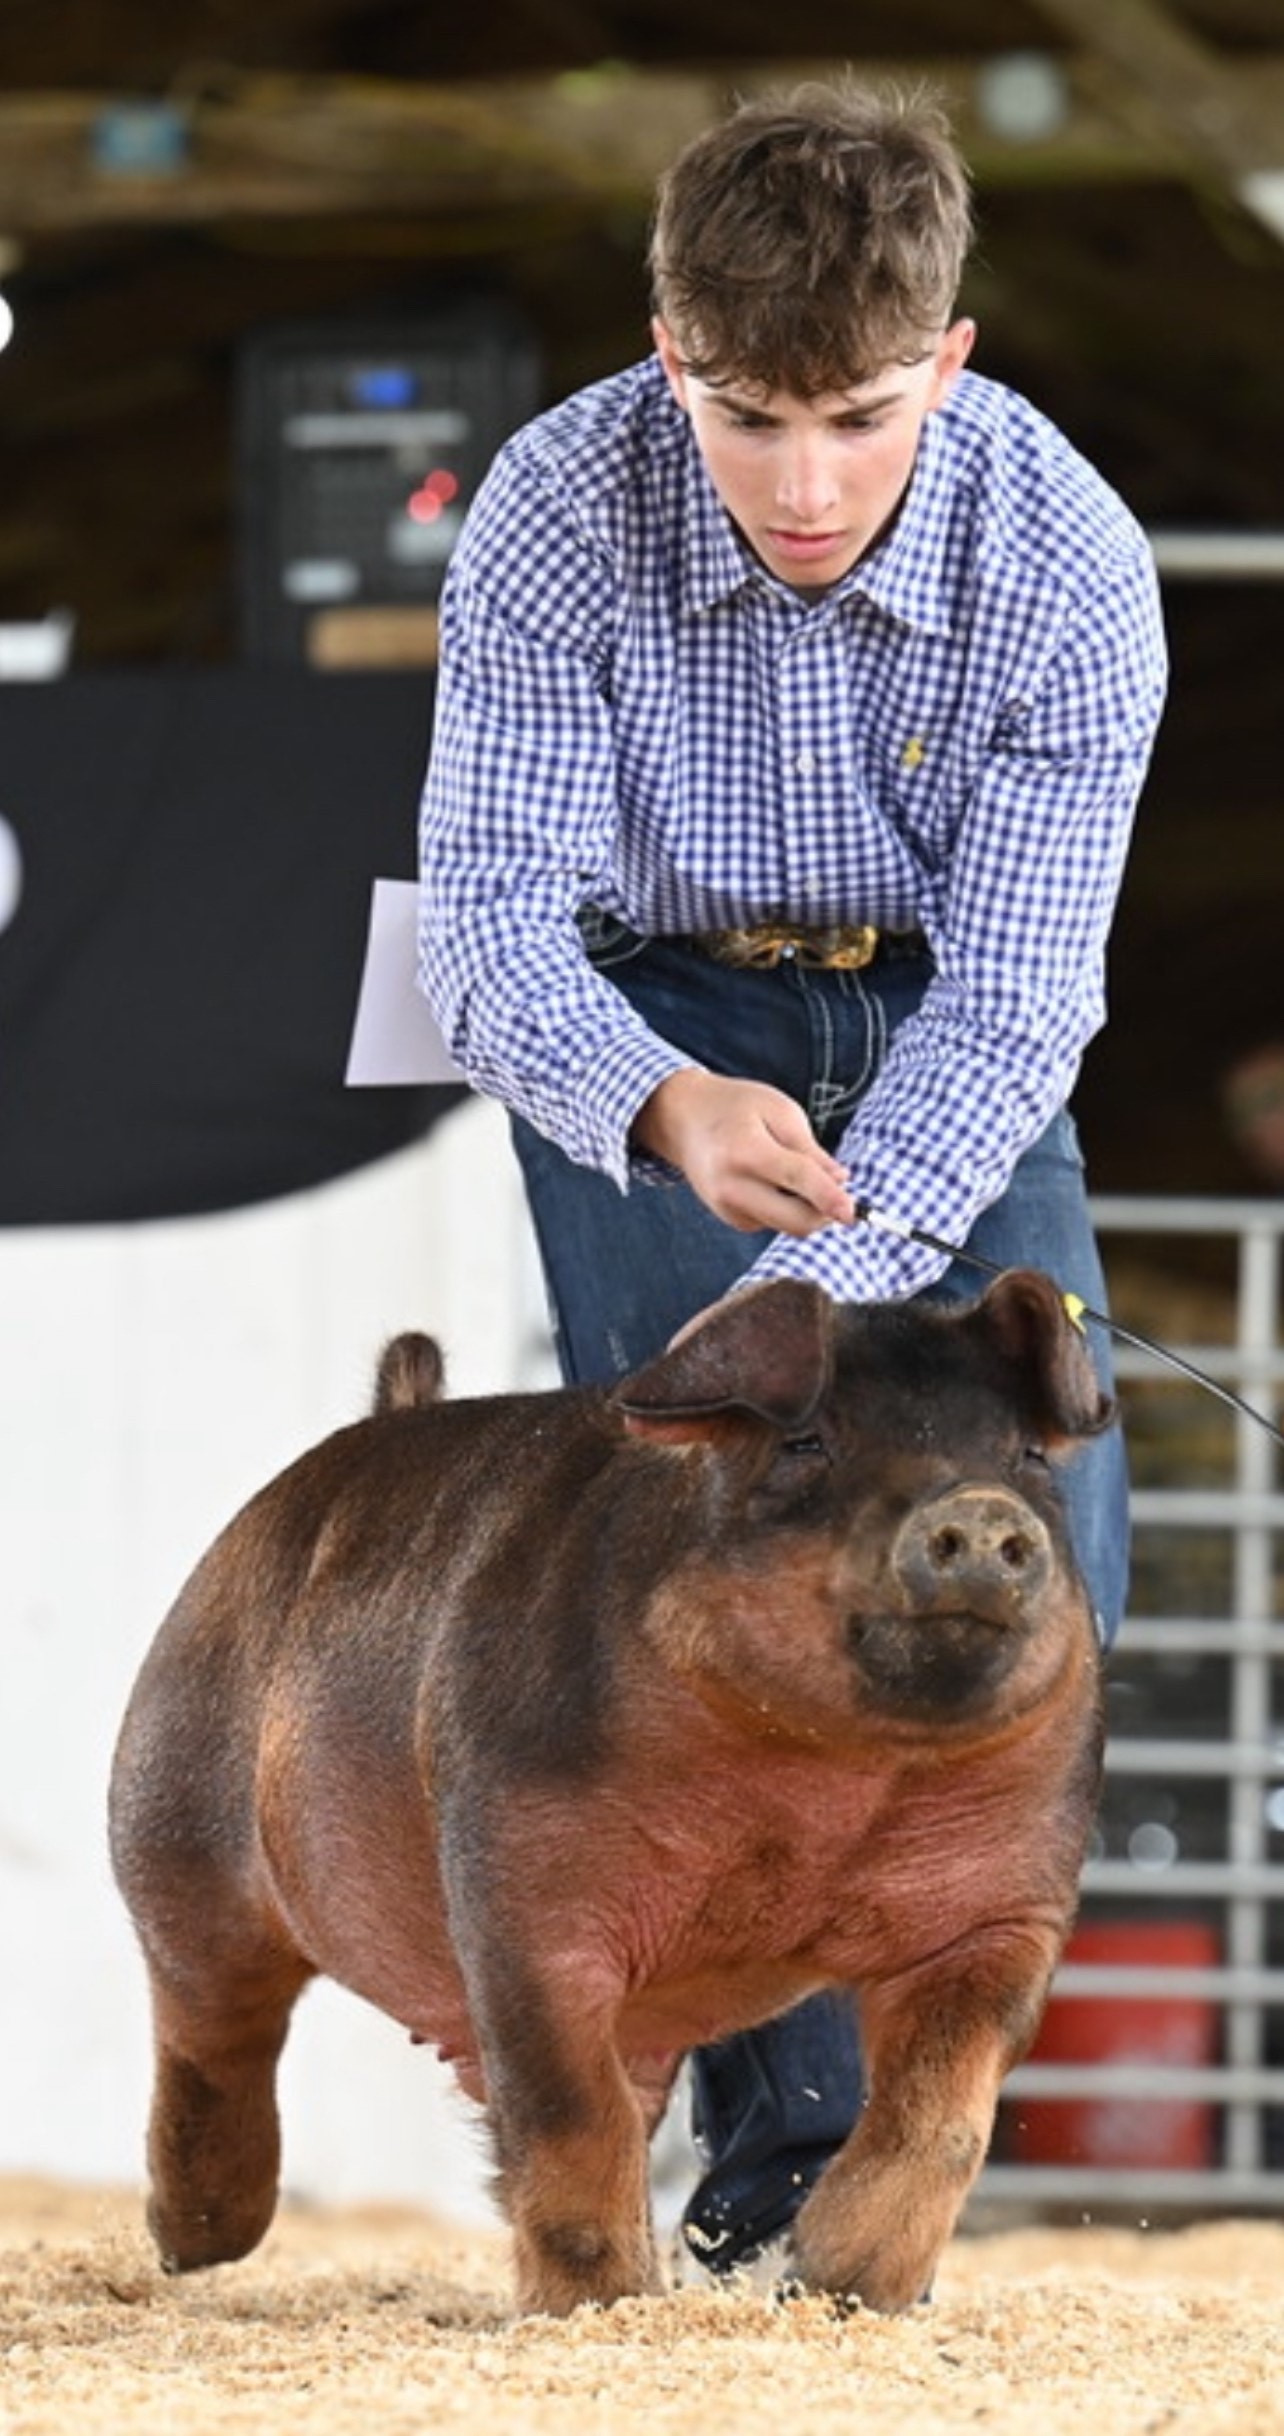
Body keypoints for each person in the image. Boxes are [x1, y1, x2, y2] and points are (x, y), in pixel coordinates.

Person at [417, 78, 1168, 2277]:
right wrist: (656, 1105)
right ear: (673, 363)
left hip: (956, 1028)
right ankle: (773, 2187)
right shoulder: (554, 510)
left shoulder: (1075, 563)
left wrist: (865, 1259)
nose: (804, 483)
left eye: (855, 415)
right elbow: (483, 916)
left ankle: (924, 2136)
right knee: (696, 1568)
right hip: (660, 1019)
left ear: (949, 363)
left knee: (1042, 1540)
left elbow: (1030, 988)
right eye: (747, 420)